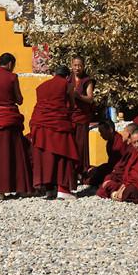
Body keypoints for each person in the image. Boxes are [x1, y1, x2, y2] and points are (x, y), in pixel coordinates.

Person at [0, 52, 32, 198]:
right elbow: (19, 99)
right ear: (10, 64)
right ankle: (20, 188)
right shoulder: (12, 77)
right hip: (9, 119)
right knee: (15, 153)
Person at [29, 65, 80, 199]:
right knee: (64, 154)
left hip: (40, 122)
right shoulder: (67, 84)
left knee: (46, 156)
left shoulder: (42, 86)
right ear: (68, 76)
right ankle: (63, 189)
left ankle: (49, 188)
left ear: (54, 74)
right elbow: (72, 104)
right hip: (58, 123)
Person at [68, 56, 95, 177]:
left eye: (79, 65)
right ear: (71, 65)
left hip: (82, 116)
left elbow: (90, 99)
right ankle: (71, 170)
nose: (77, 68)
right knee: (70, 144)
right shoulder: (68, 79)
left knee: (81, 144)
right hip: (70, 115)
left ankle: (81, 170)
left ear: (83, 66)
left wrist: (77, 96)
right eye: (75, 65)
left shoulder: (87, 81)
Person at [96, 123, 138, 199]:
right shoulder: (127, 146)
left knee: (107, 181)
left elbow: (128, 168)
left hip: (126, 176)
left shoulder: (125, 145)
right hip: (117, 170)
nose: (122, 133)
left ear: (129, 134)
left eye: (124, 131)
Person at [86, 118, 128, 187]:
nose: (101, 135)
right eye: (100, 132)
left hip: (119, 170)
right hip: (111, 167)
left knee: (97, 179)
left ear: (110, 130)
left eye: (102, 132)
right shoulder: (110, 142)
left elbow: (122, 163)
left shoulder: (120, 142)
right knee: (94, 171)